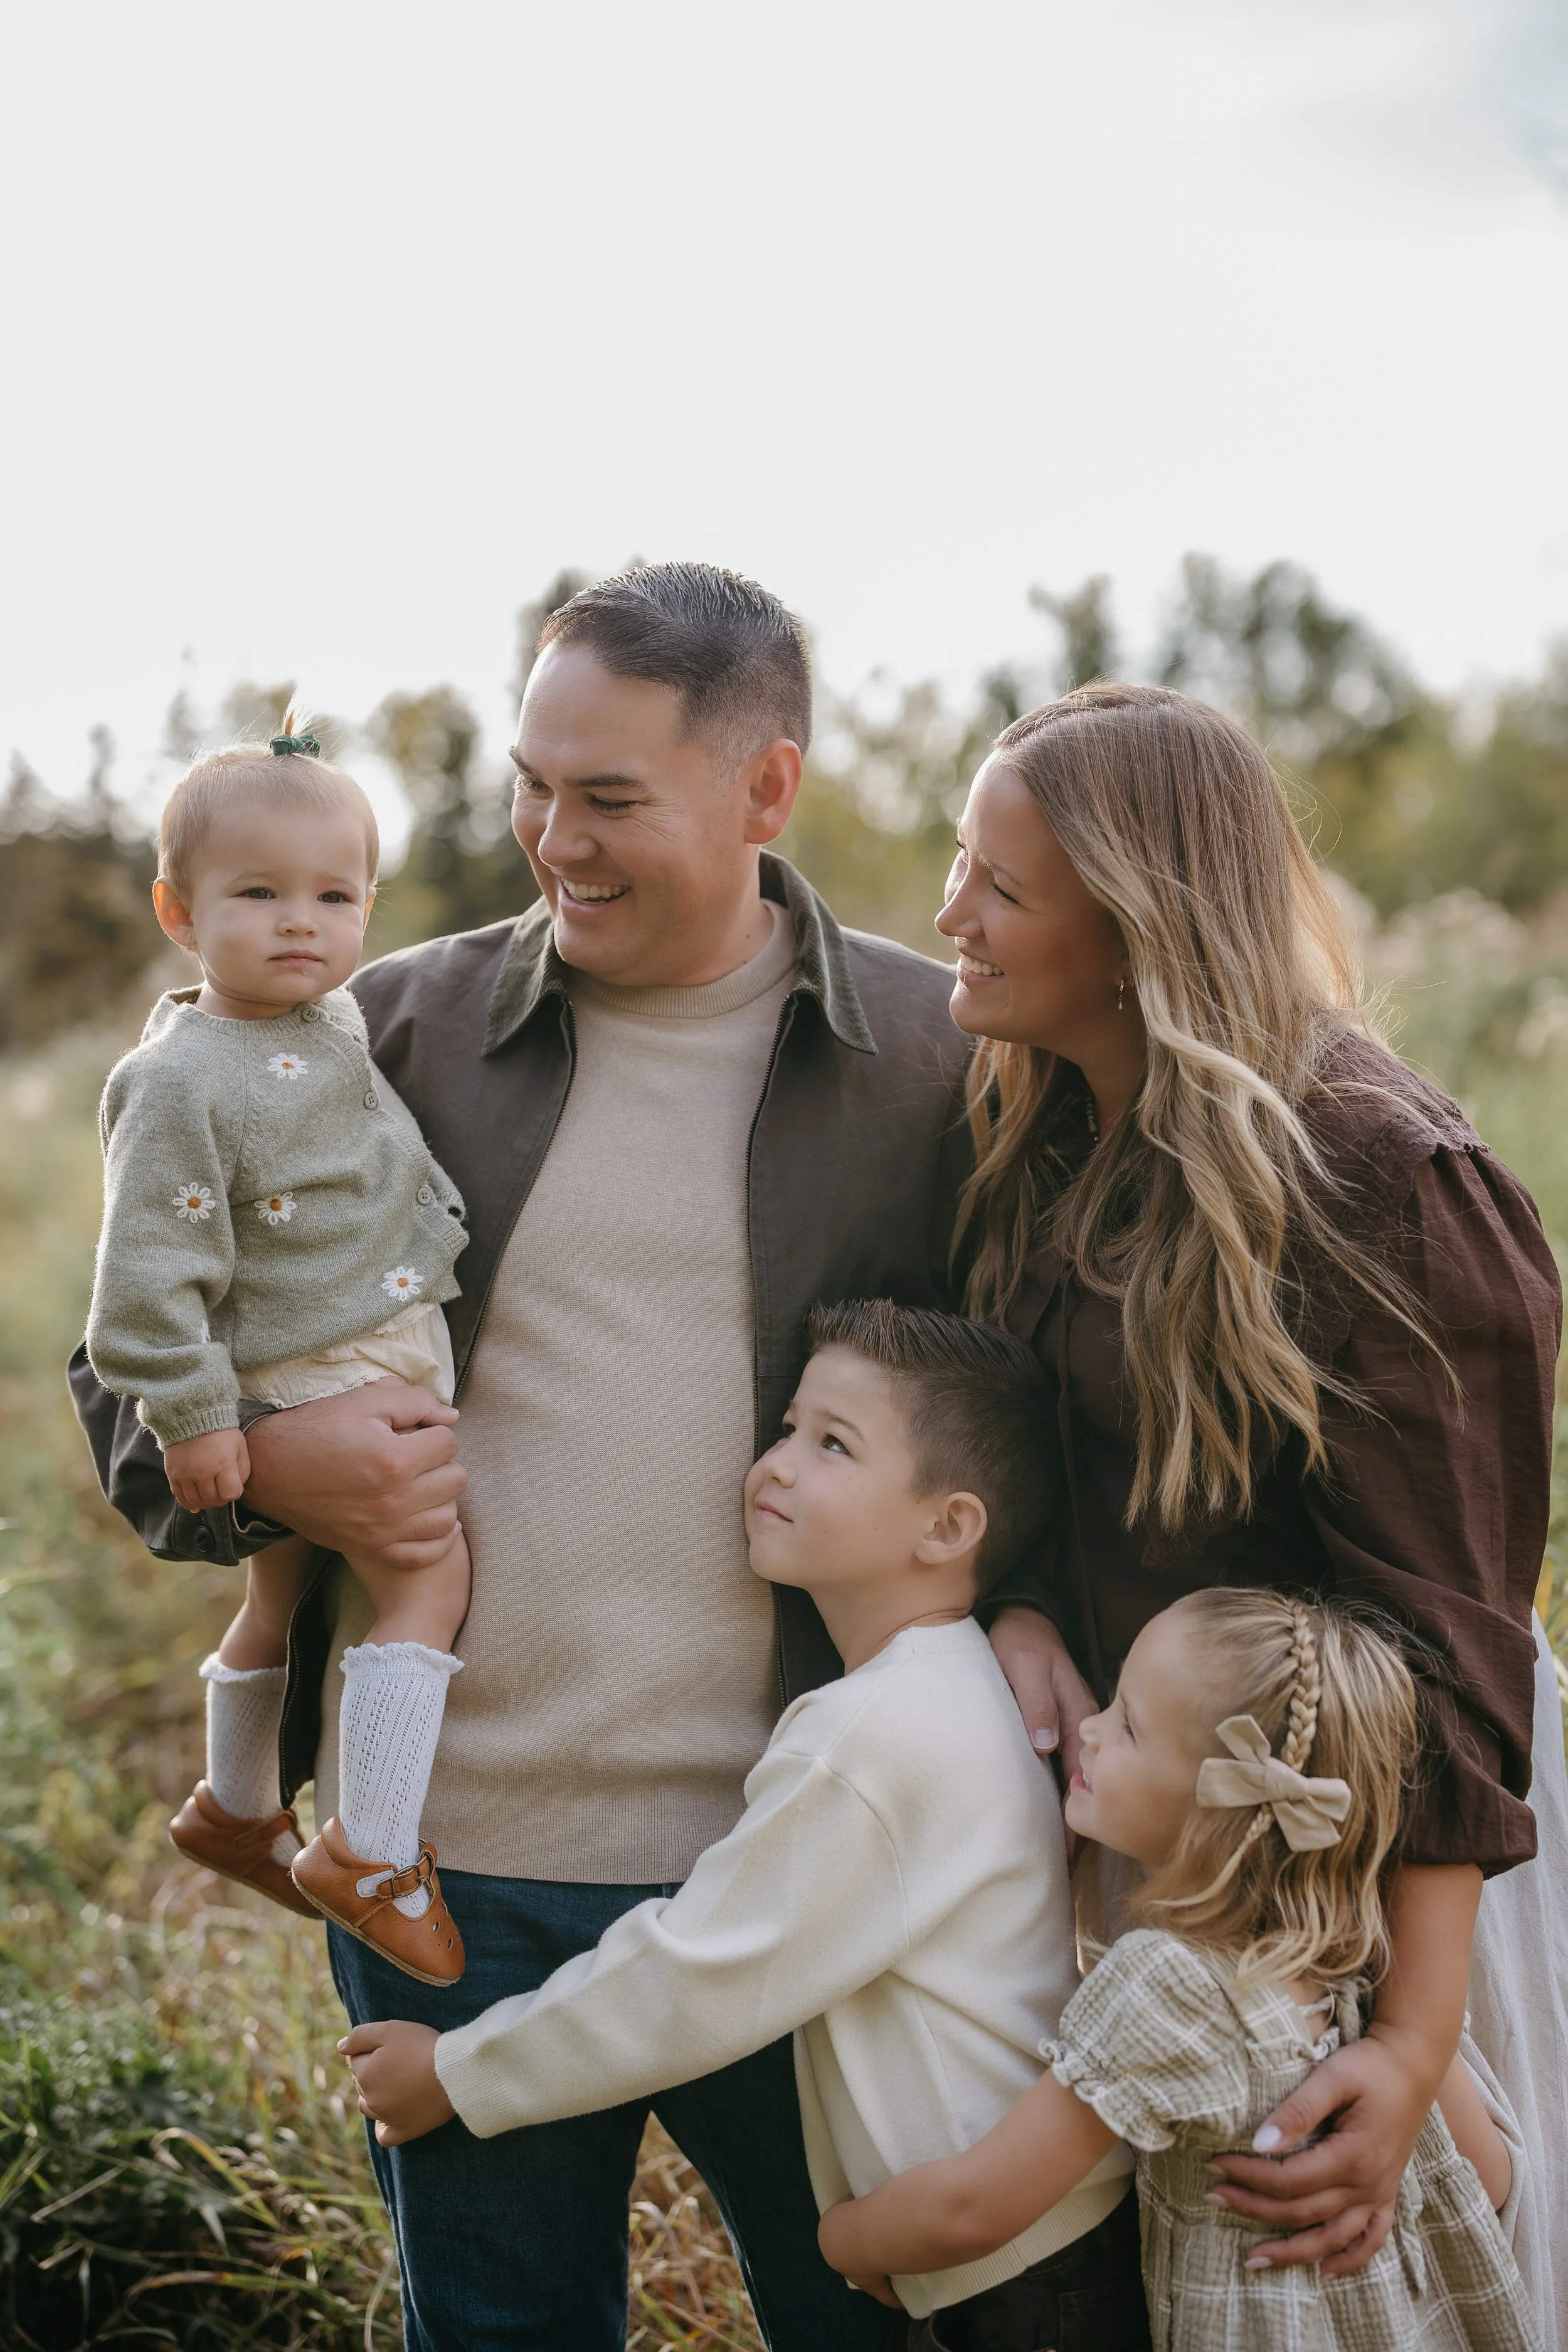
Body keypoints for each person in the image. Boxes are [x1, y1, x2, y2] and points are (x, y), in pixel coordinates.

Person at [69, 563, 977, 2352]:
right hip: (445, 1886)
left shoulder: (935, 1063)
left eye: (612, 797)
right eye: (529, 782)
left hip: (793, 1865)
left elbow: (1027, 1421)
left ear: (764, 789)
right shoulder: (367, 1029)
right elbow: (123, 1377)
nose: (552, 837)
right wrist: (281, 1465)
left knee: (865, 2322)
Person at [946, 684, 1566, 2335]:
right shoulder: (1052, 1123)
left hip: (1373, 1863)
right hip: (1152, 1813)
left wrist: (1411, 2036)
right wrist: (1014, 1607)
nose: (951, 916)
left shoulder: (1378, 1170)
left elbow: (1450, 1641)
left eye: (1003, 886)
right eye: (960, 865)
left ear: (1139, 915)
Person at [341, 1301, 1152, 2351]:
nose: (772, 1466)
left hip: (1013, 2281)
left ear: (948, 1527)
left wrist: (455, 2073)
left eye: (832, 1444)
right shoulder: (949, 1697)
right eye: (786, 1428)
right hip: (1033, 2244)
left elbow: (698, 1976)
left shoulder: (875, 1736)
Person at [817, 1587, 1541, 2352]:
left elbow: (975, 2207)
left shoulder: (1168, 1986)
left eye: (1128, 1725)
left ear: (1221, 1809)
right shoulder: (1359, 1962)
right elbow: (1485, 2180)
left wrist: (843, 2240)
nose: (1089, 1730)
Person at [85, 725, 472, 1983]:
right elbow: (145, 1281)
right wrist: (198, 1416)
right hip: (323, 1359)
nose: (300, 924)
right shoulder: (178, 1080)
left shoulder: (332, 1016)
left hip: (346, 1334)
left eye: (334, 895)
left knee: (282, 1588)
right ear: (179, 912)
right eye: (257, 894)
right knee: (425, 1577)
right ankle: (371, 1846)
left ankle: (237, 1807)